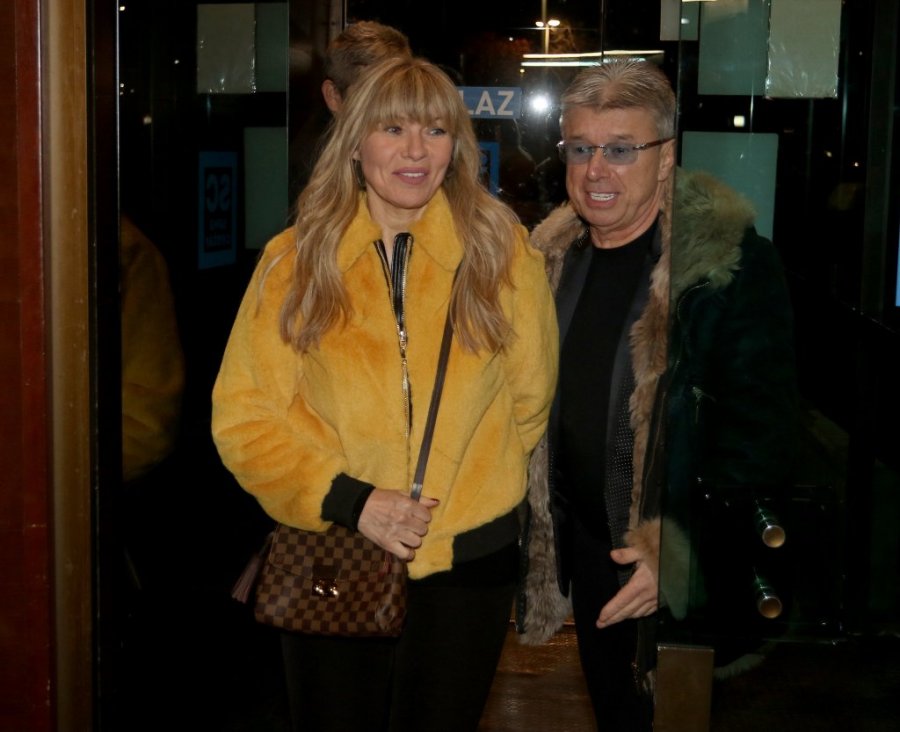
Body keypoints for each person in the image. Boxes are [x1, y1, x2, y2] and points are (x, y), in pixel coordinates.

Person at [212, 56, 558, 732]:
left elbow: (529, 402)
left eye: (435, 130)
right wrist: (353, 502)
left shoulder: (503, 253)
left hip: (468, 563)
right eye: (393, 128)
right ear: (355, 142)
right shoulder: (295, 262)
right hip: (335, 549)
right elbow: (244, 419)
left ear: (456, 146)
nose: (415, 151)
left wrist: (465, 487)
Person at [518, 59, 798, 729]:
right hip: (592, 556)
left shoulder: (725, 270)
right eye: (580, 149)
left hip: (679, 569)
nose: (596, 171)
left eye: (621, 150)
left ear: (666, 157)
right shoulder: (548, 262)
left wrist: (678, 557)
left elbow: (759, 442)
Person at [289, 21, 412, 199]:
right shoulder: (318, 170)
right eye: (370, 96)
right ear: (333, 96)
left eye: (402, 92)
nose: (389, 107)